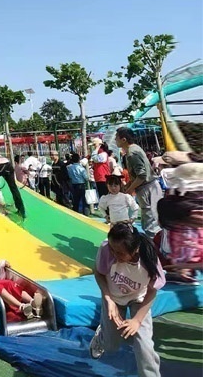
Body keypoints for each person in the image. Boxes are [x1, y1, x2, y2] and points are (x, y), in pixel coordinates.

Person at [90, 223, 165, 377]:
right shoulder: (107, 248)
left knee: (144, 345)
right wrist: (109, 300)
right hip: (114, 297)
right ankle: (101, 338)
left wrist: (137, 320)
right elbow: (98, 273)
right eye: (112, 250)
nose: (114, 254)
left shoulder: (148, 259)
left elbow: (152, 291)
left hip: (139, 298)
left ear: (135, 249)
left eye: (119, 253)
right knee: (111, 345)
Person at [115, 127, 162, 239]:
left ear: (124, 139)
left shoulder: (131, 153)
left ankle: (152, 245)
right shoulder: (136, 148)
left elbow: (142, 175)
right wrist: (128, 185)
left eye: (116, 138)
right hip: (150, 186)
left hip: (146, 188)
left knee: (150, 221)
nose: (115, 140)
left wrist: (130, 189)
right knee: (154, 217)